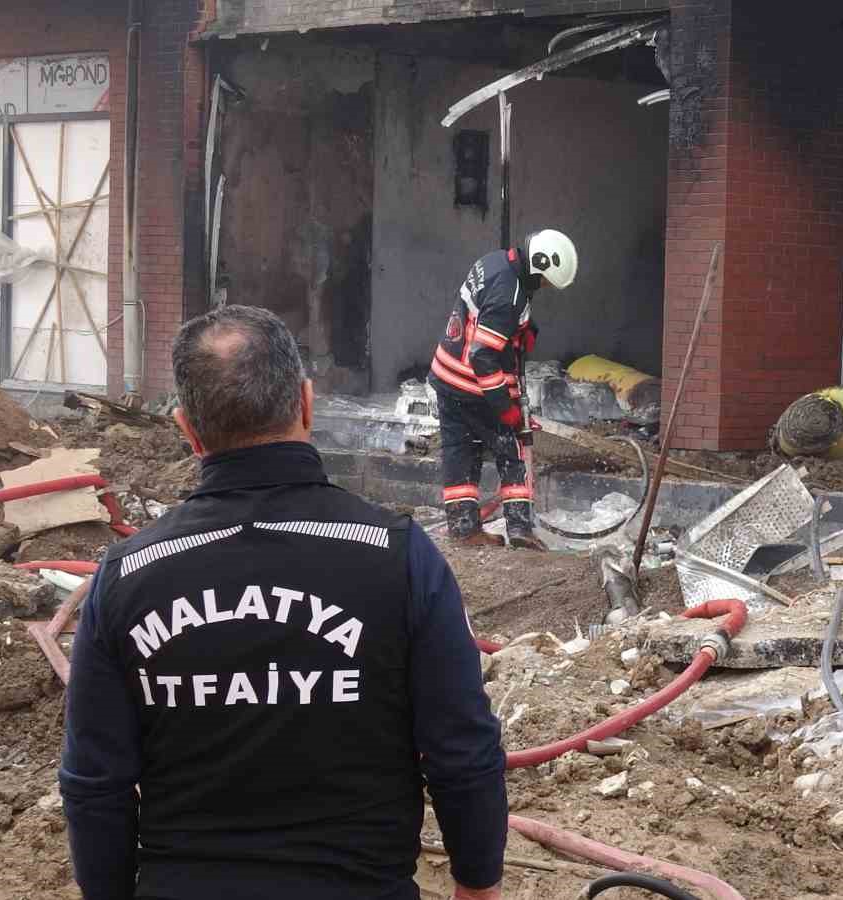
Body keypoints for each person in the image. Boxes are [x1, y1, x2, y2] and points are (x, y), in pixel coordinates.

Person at [60, 305, 507, 900]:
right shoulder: (397, 558)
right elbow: (462, 748)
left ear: (187, 429)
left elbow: (95, 783)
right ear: (305, 403)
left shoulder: (128, 577)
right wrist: (477, 882)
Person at [429, 230, 578, 549]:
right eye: (548, 282)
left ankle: (465, 529)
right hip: (474, 385)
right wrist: (506, 408)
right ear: (541, 267)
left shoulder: (494, 262)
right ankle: (520, 529)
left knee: (459, 451)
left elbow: (483, 320)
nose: (546, 287)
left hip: (447, 373)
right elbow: (483, 355)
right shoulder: (510, 294)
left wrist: (523, 330)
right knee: (511, 449)